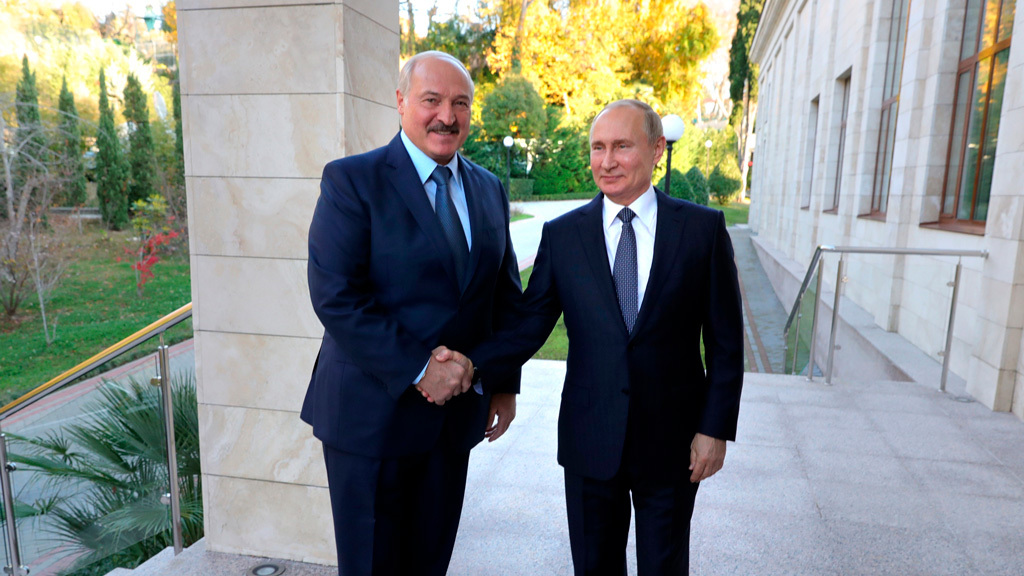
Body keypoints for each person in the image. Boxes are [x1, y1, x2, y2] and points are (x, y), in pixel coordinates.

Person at [444, 99, 744, 575]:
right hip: (589, 440)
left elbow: (726, 344)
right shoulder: (564, 235)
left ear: (656, 149)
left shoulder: (701, 230)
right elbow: (529, 324)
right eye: (597, 148)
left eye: (622, 146)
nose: (606, 161)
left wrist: (714, 429)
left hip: (673, 443)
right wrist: (470, 364)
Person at [301, 50, 522, 576]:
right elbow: (336, 296)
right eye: (431, 100)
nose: (447, 115)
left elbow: (504, 295)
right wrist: (422, 368)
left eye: (460, 103)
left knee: (430, 563)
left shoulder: (489, 188)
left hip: (453, 423)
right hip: (370, 421)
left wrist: (502, 383)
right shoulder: (352, 180)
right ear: (401, 102)